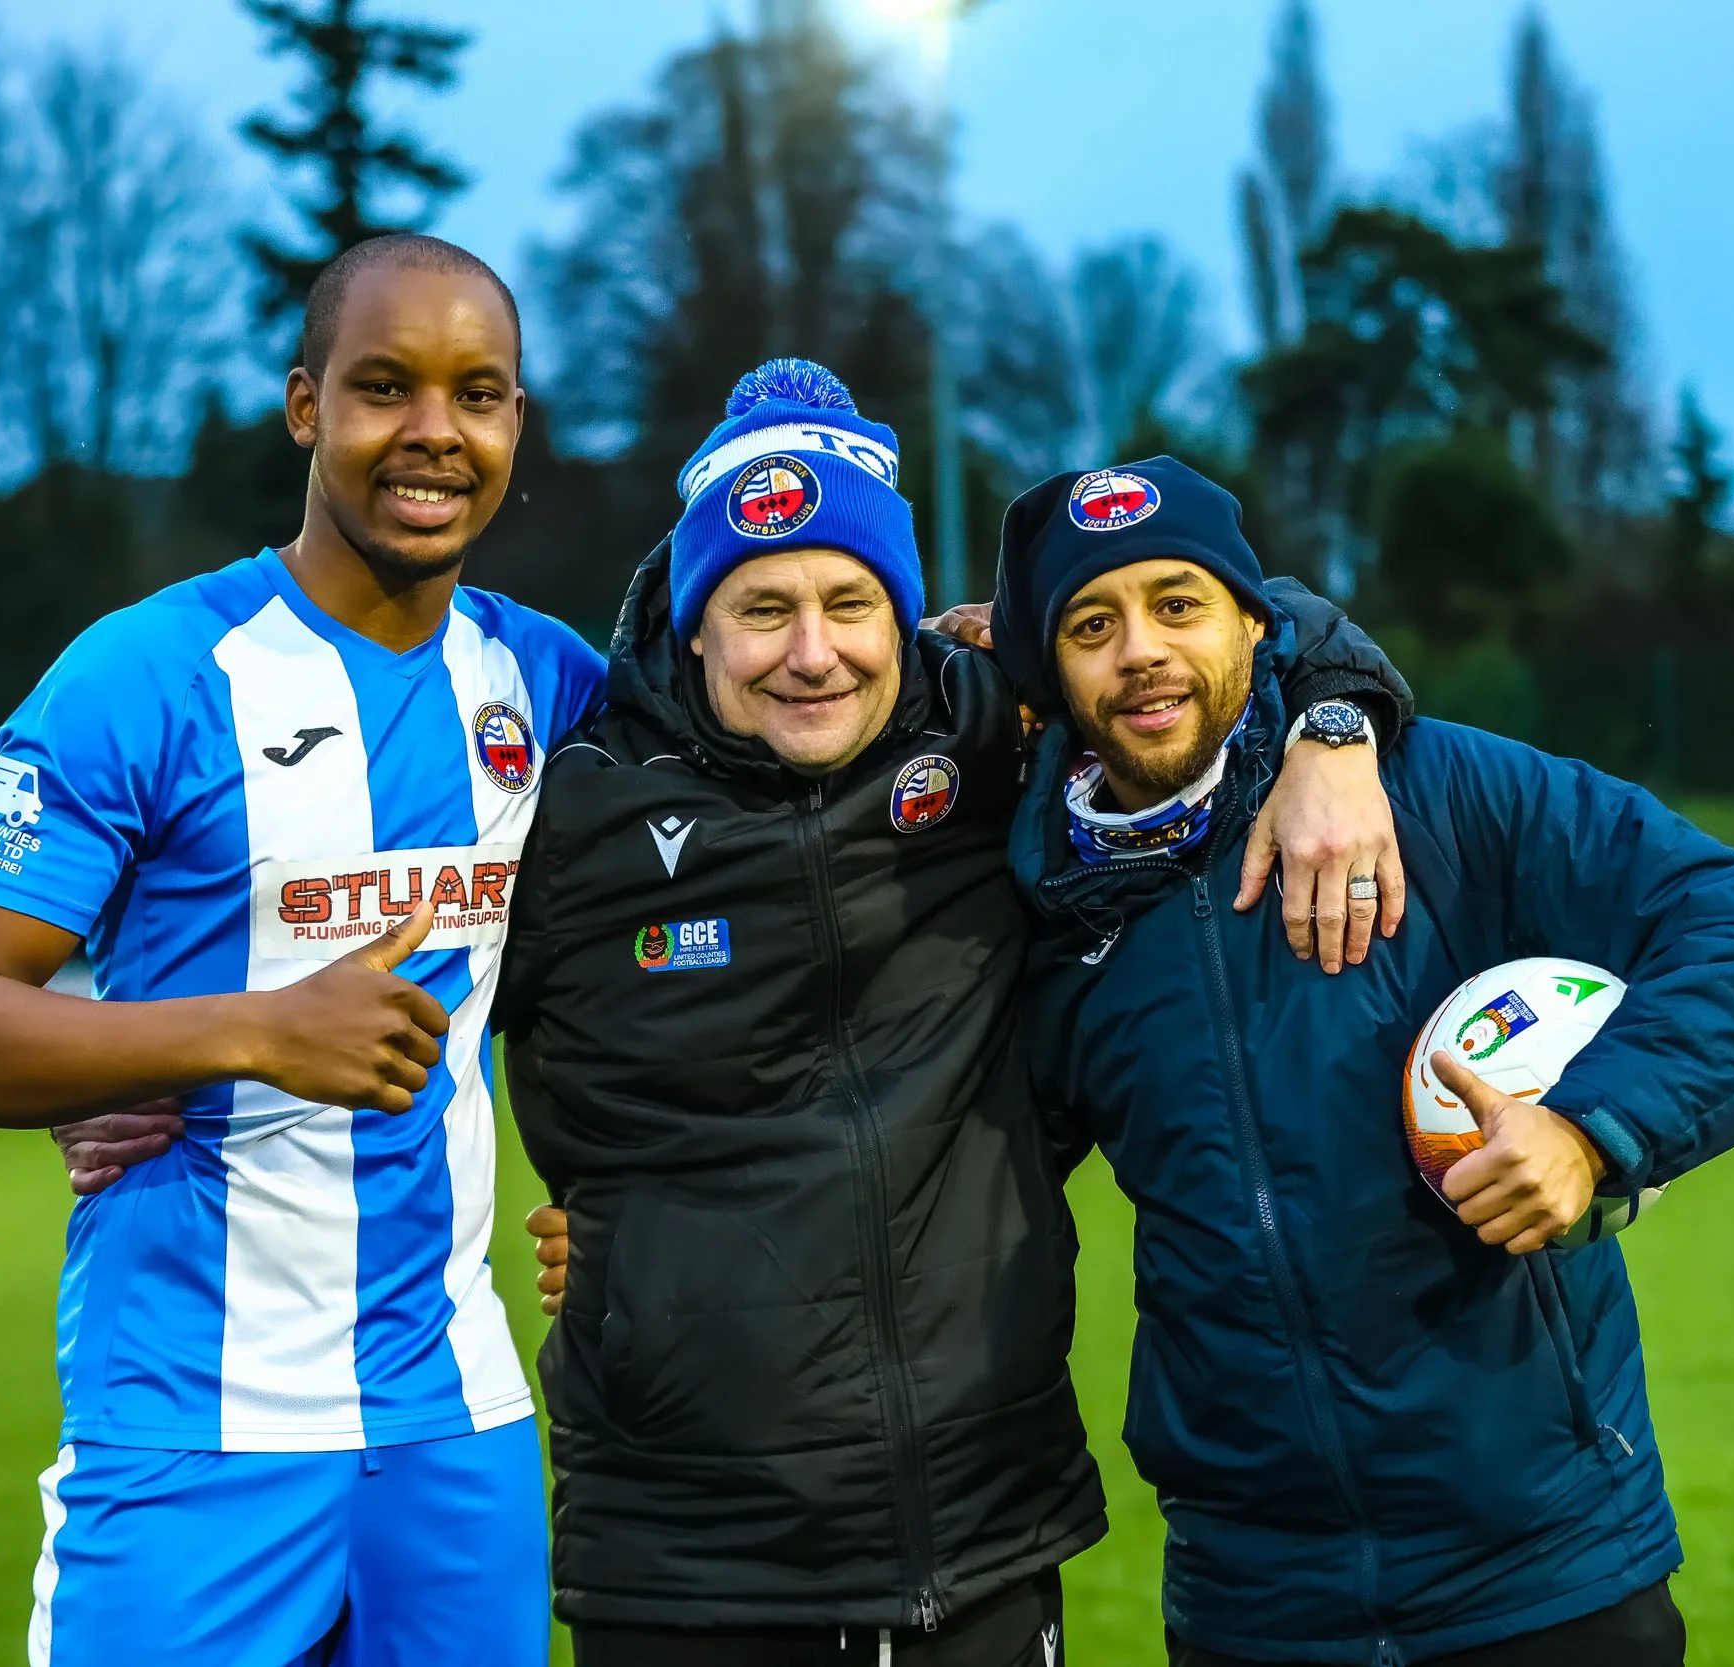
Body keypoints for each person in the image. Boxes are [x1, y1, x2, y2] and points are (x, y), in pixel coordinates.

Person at [500, 364, 1412, 1664]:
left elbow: (1230, 615)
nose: (812, 651)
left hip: (982, 1525)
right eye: (762, 605)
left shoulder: (998, 730)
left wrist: (1333, 724)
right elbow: (386, 976)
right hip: (683, 1548)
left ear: (908, 612)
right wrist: (165, 1078)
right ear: (693, 621)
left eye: (849, 601)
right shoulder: (574, 808)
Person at [986, 457, 1734, 1666]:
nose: (1139, 650)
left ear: (1253, 617)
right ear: (1050, 669)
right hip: (1250, 1599)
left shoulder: (1434, 790)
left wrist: (1592, 1129)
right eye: (1090, 622)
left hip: (1543, 1564)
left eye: (1178, 602)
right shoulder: (1043, 906)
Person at [0, 235, 597, 1667]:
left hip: (456, 1424)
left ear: (517, 422)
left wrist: (968, 654)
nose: (433, 433)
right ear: (302, 405)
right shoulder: (144, 675)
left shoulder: (554, 681)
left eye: (479, 394)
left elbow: (782, 744)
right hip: (189, 1427)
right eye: (383, 386)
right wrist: (247, 1030)